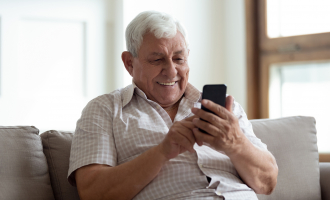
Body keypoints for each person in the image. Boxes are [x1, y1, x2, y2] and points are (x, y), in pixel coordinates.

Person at [67, 11, 278, 200]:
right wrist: (162, 152)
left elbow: (267, 183)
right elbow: (92, 192)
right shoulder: (104, 110)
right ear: (129, 63)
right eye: (157, 60)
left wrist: (236, 143)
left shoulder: (223, 108)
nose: (171, 71)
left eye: (179, 58)